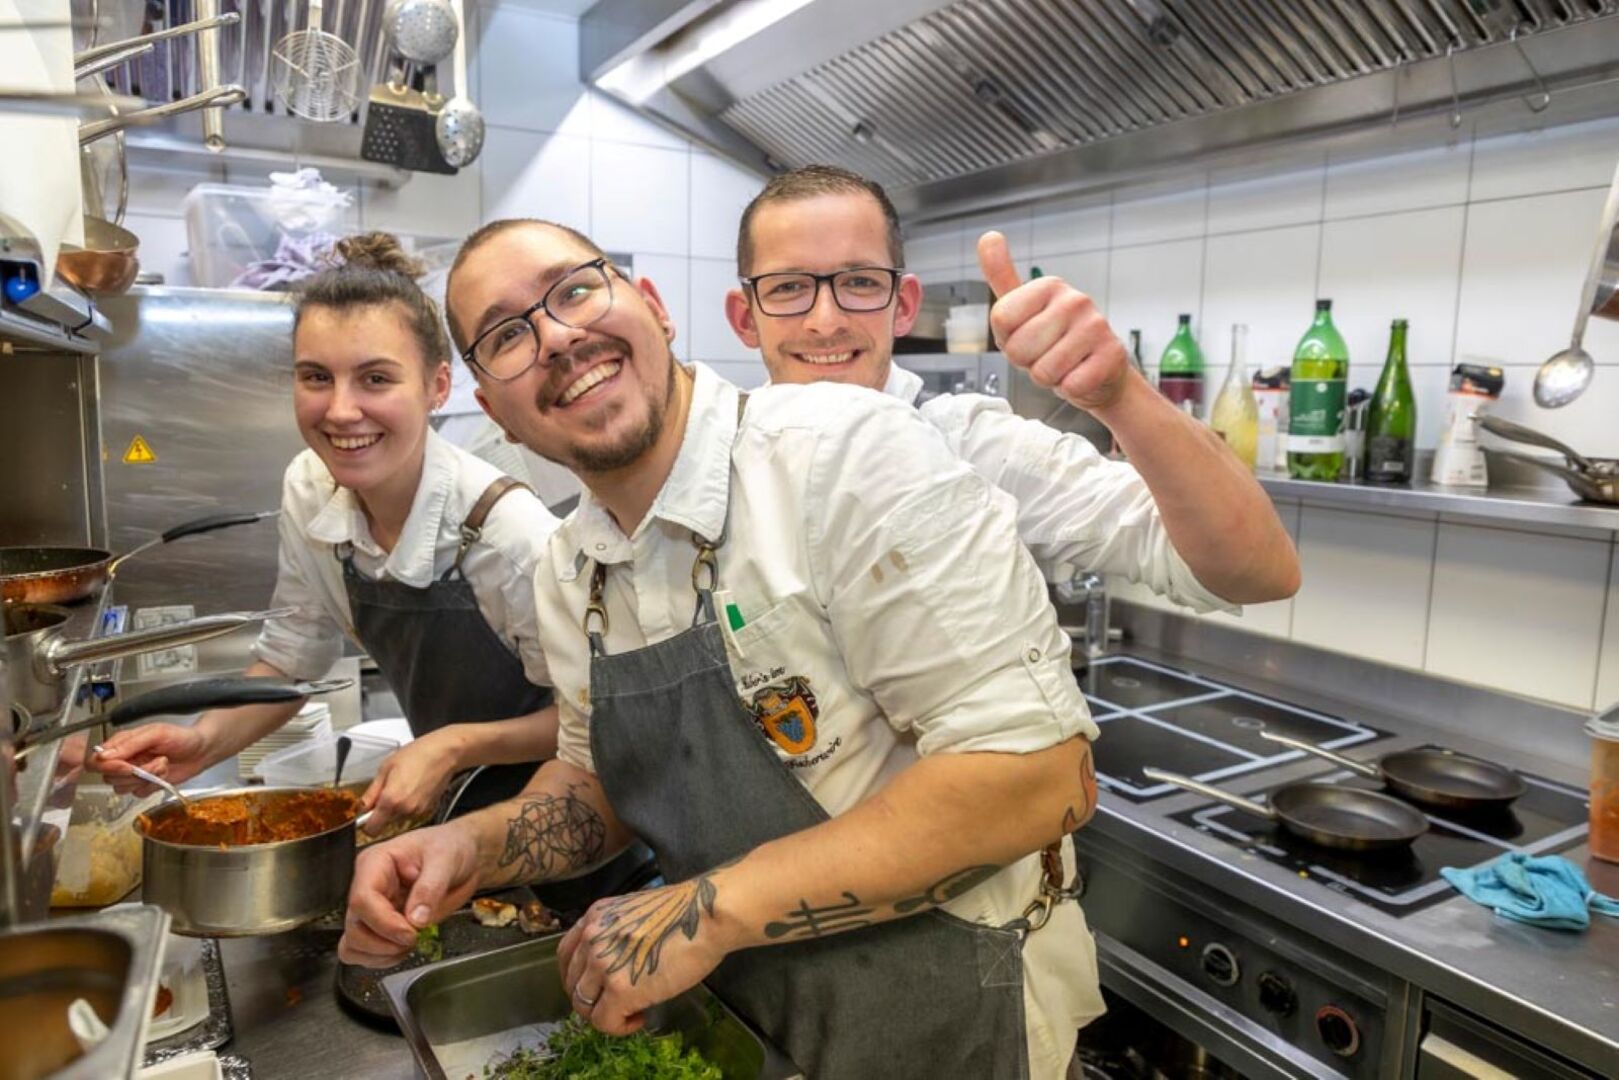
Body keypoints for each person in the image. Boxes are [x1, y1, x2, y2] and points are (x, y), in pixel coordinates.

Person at [338, 218, 1106, 1080]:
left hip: (956, 1023)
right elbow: (601, 791)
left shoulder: (842, 455)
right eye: (508, 336)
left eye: (575, 290)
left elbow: (1040, 781)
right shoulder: (569, 571)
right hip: (752, 1026)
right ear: (492, 410)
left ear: (655, 309)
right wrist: (469, 850)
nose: (556, 336)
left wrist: (707, 912)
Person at [93, 233, 560, 833]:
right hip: (447, 817)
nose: (340, 411)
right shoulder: (311, 489)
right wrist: (202, 740)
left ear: (437, 387)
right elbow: (290, 660)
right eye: (316, 377)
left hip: (558, 824)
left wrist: (451, 746)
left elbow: (590, 719)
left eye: (375, 379)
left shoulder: (507, 535)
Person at [723, 165, 1300, 610]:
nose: (826, 319)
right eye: (788, 287)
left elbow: (1261, 572)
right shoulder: (709, 465)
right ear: (746, 317)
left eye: (859, 282)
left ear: (904, 307)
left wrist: (1120, 395)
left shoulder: (975, 448)